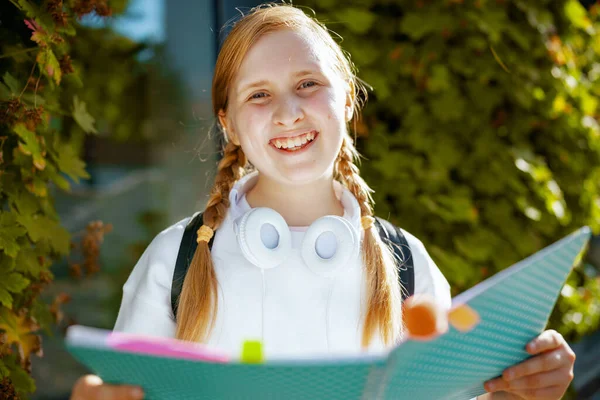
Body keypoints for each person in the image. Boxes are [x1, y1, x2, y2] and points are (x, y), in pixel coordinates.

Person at [69, 4, 576, 399]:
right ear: (228, 124)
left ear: (348, 98)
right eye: (259, 95)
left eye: (308, 84)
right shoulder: (175, 257)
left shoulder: (406, 264)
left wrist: (519, 393)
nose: (288, 113)